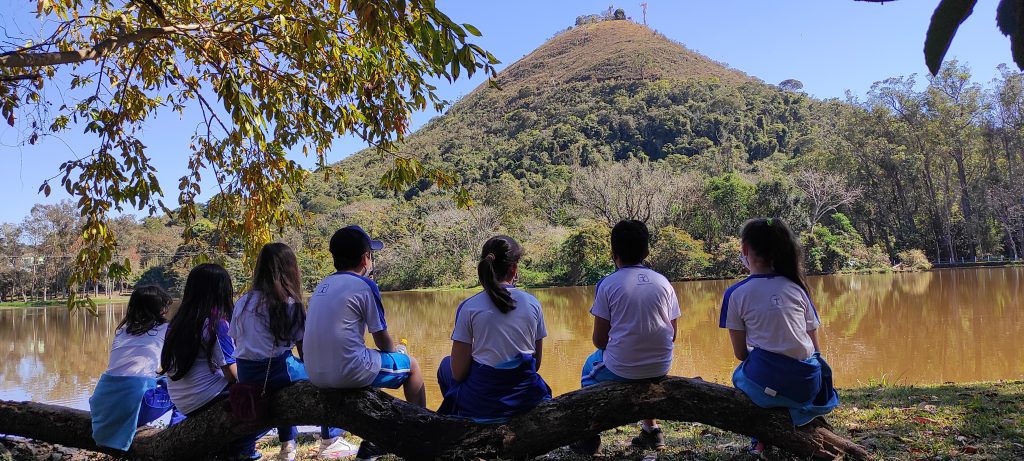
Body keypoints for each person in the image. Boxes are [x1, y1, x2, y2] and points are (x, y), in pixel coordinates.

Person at [303, 225, 426, 461]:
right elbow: (382, 339)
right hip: (348, 371)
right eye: (371, 255)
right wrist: (398, 351)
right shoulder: (366, 285)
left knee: (370, 358)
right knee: (412, 366)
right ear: (365, 258)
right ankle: (420, 431)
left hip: (315, 374)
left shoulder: (322, 286)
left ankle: (373, 443)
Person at [720, 218, 839, 456]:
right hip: (808, 384)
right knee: (776, 373)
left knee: (741, 373)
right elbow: (815, 349)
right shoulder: (797, 288)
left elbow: (740, 354)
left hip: (771, 383)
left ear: (744, 250)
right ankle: (797, 414)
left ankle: (761, 437)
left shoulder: (735, 293)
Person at [230, 243, 356, 460]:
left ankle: (288, 446)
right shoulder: (289, 304)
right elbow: (306, 351)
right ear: (290, 269)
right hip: (277, 370)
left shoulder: (242, 302)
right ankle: (330, 440)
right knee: (326, 378)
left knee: (285, 382)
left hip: (246, 373)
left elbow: (236, 340)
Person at [573, 220, 680, 455]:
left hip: (624, 369)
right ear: (646, 252)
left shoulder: (607, 284)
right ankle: (652, 430)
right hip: (661, 365)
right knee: (640, 355)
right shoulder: (664, 282)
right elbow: (672, 334)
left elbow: (599, 341)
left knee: (588, 369)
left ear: (613, 253)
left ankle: (589, 437)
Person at [436, 236, 551, 422]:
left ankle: (460, 418)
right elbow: (535, 364)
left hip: (482, 403)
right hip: (525, 398)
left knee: (445, 366)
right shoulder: (533, 303)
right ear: (513, 268)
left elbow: (458, 373)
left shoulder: (469, 307)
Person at [161, 263, 264, 460]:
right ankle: (241, 449)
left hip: (182, 401)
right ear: (222, 290)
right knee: (265, 394)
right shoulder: (216, 323)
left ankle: (227, 447)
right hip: (204, 398)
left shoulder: (178, 322)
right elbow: (233, 374)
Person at [89, 285, 184, 451]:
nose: (166, 311)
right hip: (133, 406)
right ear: (159, 309)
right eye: (164, 307)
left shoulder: (122, 331)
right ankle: (177, 438)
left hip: (103, 405)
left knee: (159, 380)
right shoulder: (166, 330)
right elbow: (176, 367)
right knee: (183, 389)